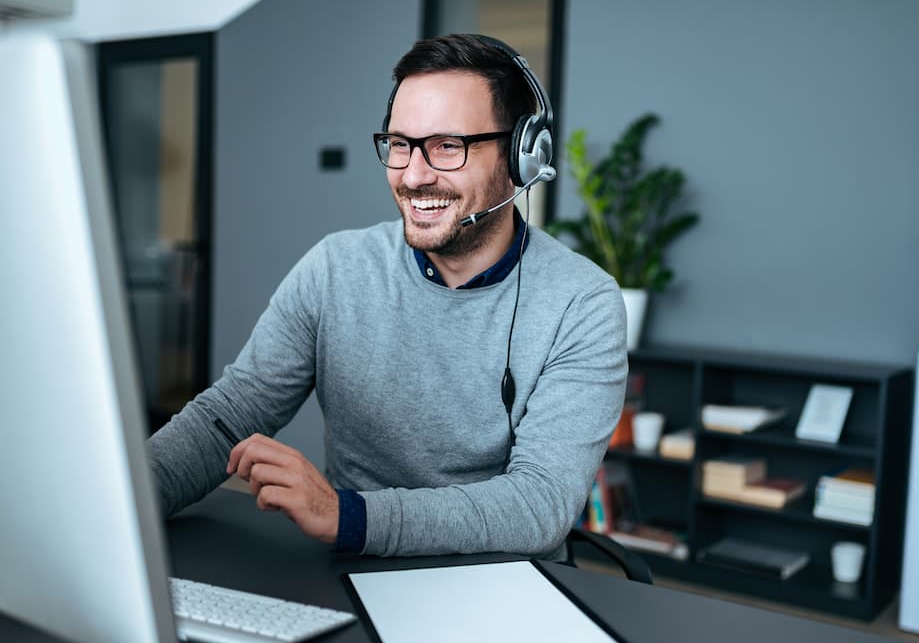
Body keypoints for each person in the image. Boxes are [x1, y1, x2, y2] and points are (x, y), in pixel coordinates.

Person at [149, 33, 627, 559]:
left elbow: (538, 505)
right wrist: (124, 501)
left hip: (502, 585)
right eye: (401, 145)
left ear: (520, 156)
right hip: (352, 571)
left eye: (448, 146)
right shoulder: (335, 268)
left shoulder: (583, 303)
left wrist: (347, 515)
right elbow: (231, 413)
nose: (414, 175)